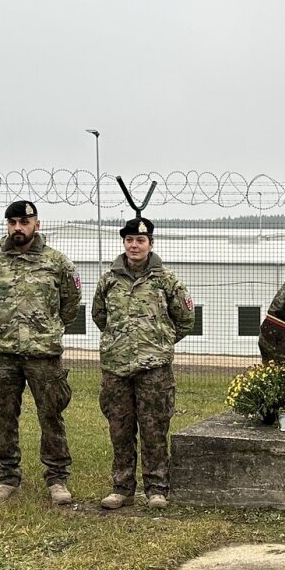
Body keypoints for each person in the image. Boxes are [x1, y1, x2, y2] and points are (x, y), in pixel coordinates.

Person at [0, 200, 82, 506]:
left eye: (24, 222)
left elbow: (70, 305)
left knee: (51, 415)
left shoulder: (57, 262)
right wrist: (5, 329)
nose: (17, 228)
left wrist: (45, 329)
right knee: (3, 415)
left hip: (43, 354)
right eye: (12, 222)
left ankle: (57, 478)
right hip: (3, 353)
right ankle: (7, 477)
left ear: (37, 224)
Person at [91, 217, 195, 510]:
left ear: (151, 243)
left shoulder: (166, 281)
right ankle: (122, 488)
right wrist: (121, 342)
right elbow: (100, 316)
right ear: (124, 243)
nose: (134, 245)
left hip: (154, 369)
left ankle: (156, 488)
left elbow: (185, 320)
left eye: (140, 240)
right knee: (120, 429)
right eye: (129, 240)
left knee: (154, 429)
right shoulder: (109, 280)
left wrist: (158, 342)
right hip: (117, 368)